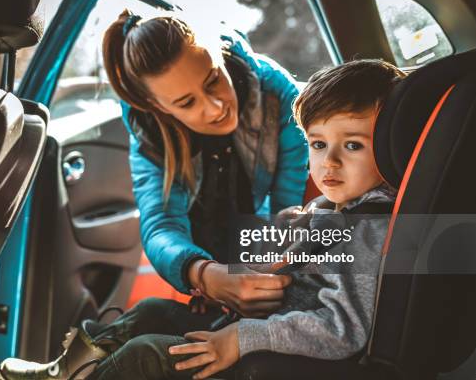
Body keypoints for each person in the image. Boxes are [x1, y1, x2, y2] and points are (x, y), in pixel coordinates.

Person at [0, 9, 309, 380]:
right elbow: (161, 225)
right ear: (159, 107)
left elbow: (286, 212)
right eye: (186, 103)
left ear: (220, 55)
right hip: (214, 256)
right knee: (148, 310)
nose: (215, 107)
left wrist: (252, 283)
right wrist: (205, 274)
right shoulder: (150, 129)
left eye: (213, 80)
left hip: (263, 256)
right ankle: (69, 371)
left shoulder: (280, 98)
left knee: (144, 353)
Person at [166, 59, 406, 379]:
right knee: (152, 312)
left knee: (144, 356)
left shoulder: (367, 228)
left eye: (352, 145)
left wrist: (243, 337)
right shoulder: (326, 206)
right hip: (254, 325)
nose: (329, 163)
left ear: (392, 146)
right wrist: (226, 290)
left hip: (274, 356)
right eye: (318, 144)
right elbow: (280, 265)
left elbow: (342, 328)